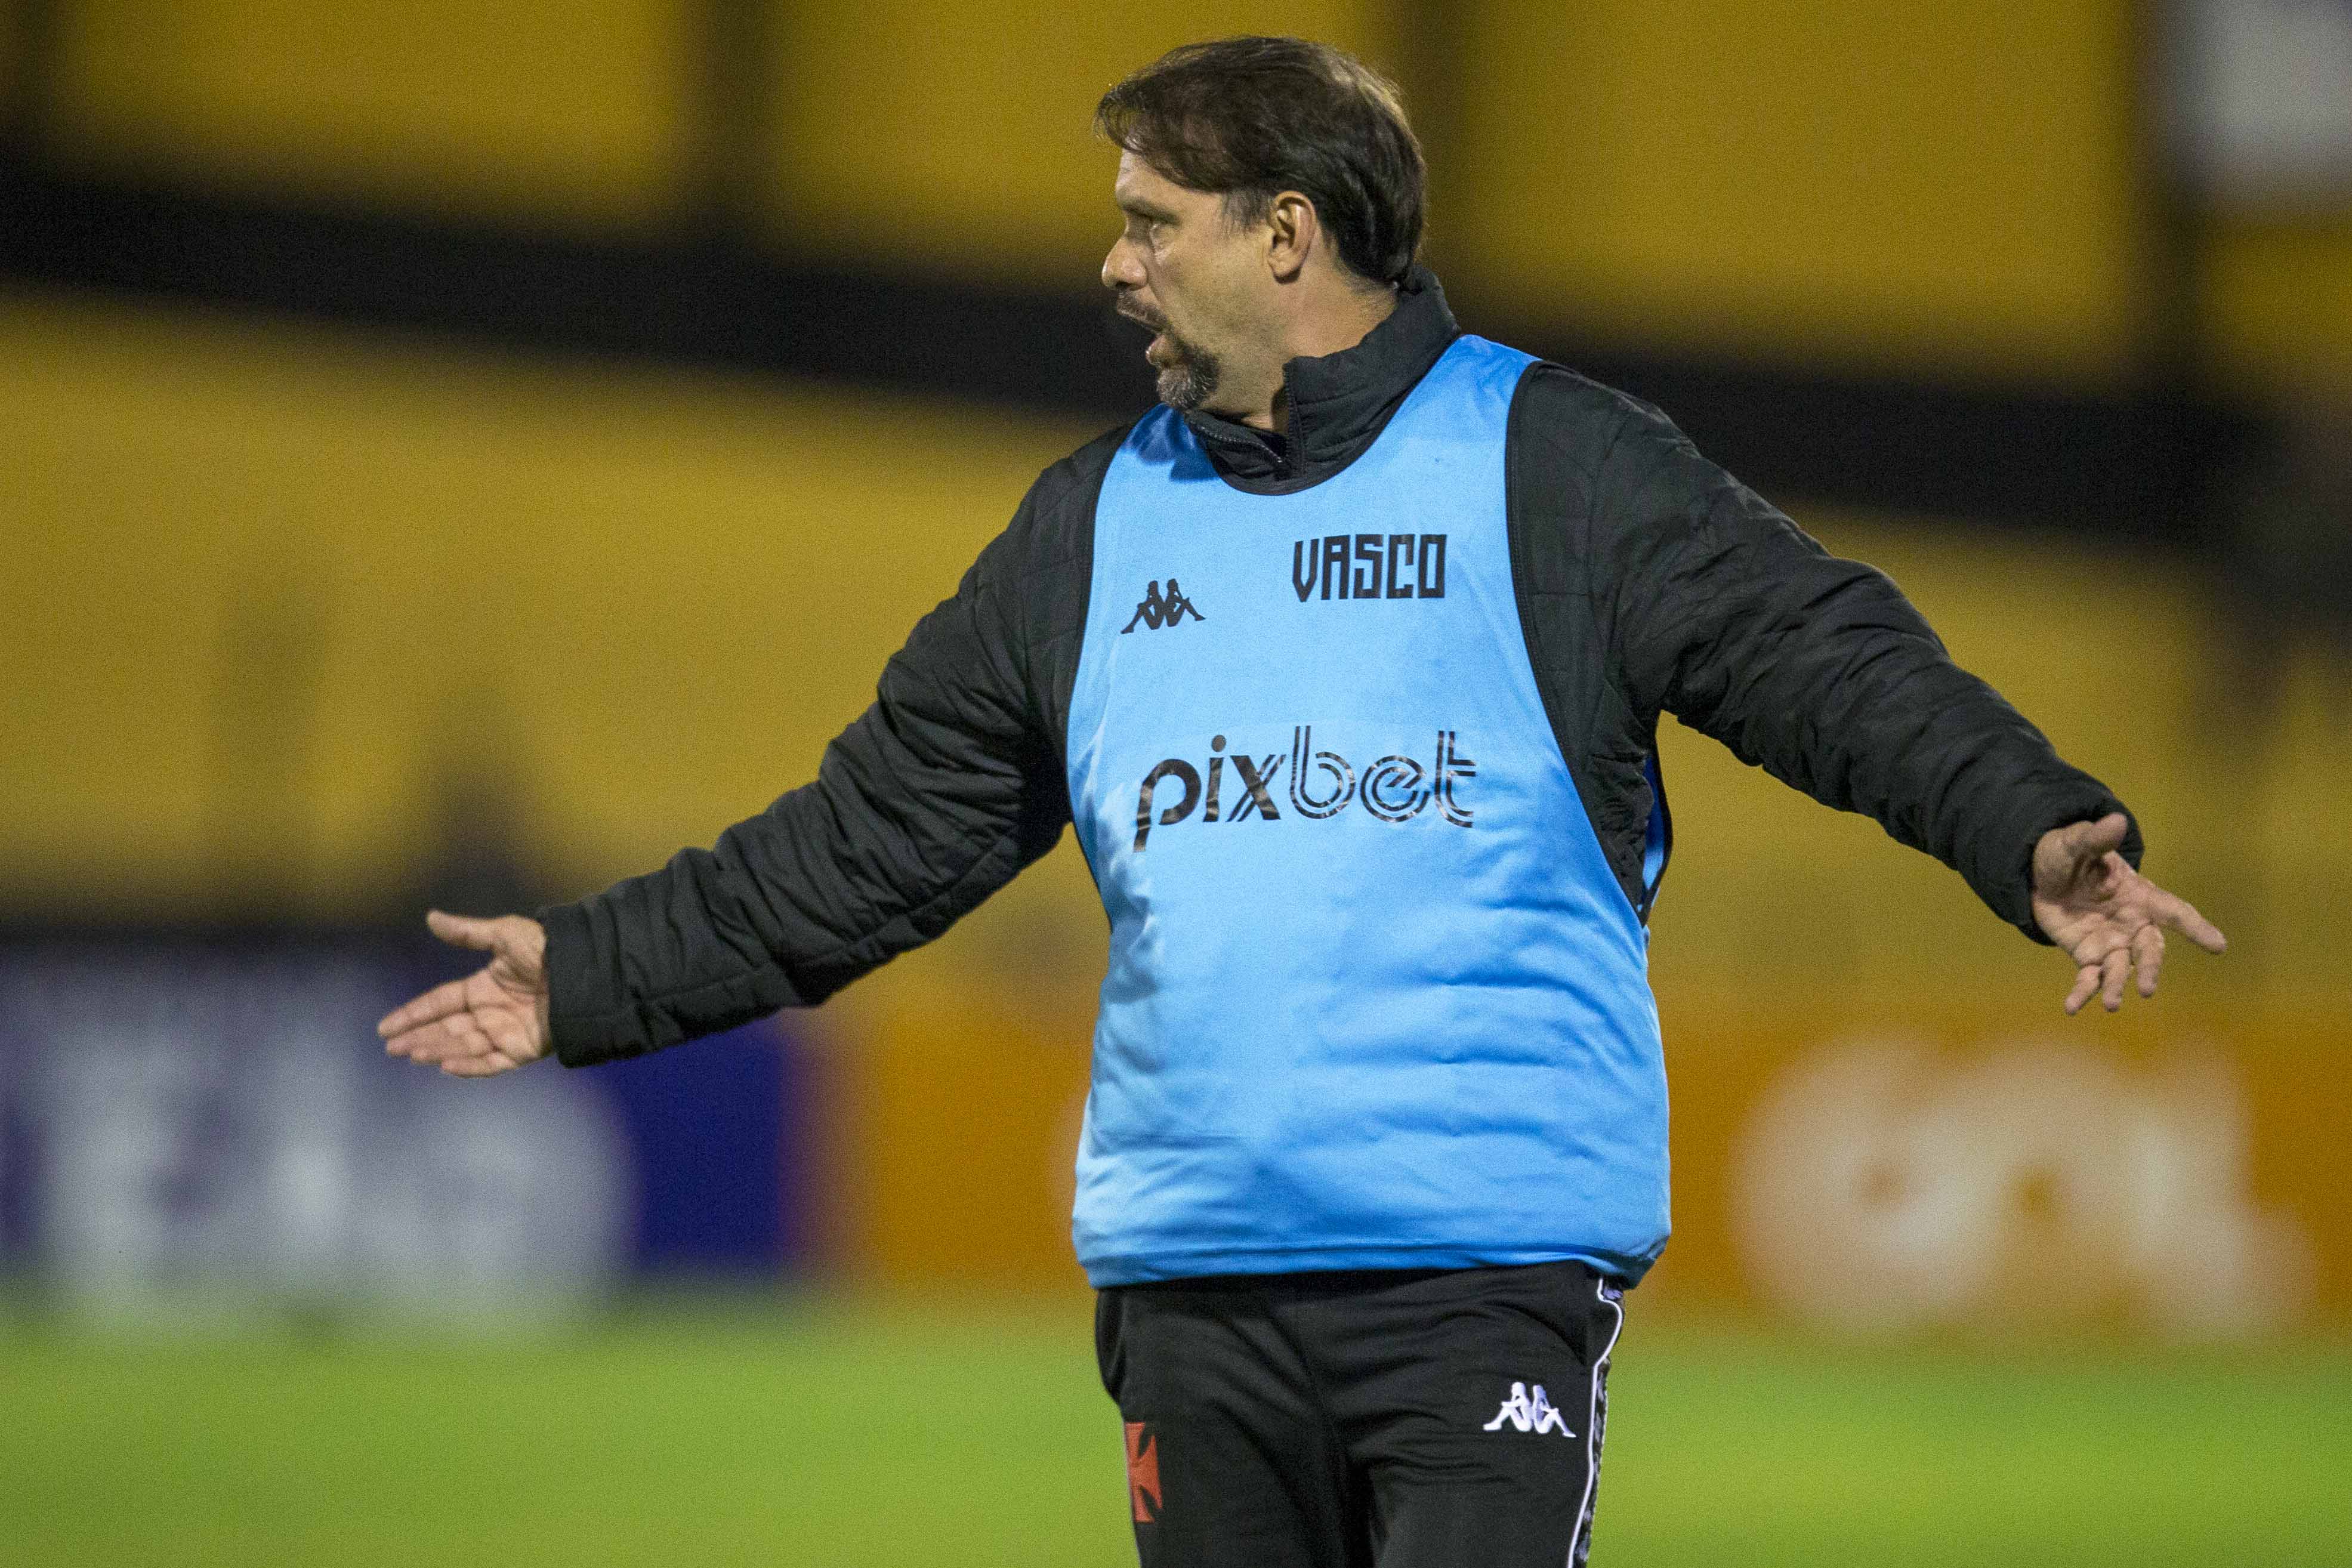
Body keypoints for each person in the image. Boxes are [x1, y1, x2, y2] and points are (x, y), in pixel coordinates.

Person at [376, 36, 2227, 1568]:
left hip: (1480, 1275)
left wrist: (2026, 820)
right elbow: (870, 837)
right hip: (1194, 1289)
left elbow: (1822, 654)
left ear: (1285, 234)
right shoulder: (1091, 525)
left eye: (1148, 221)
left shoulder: (1555, 468)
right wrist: (594, 972)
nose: (1114, 265)